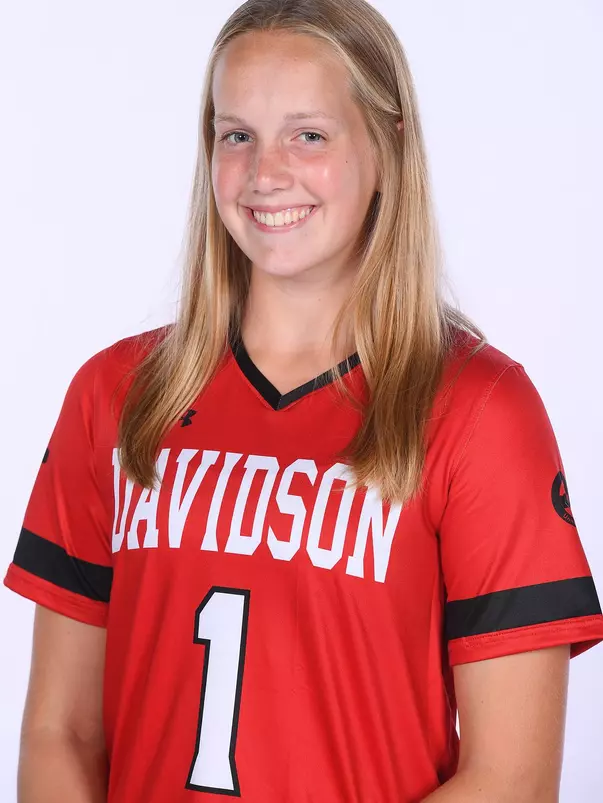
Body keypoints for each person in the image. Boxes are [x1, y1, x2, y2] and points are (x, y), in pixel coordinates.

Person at [5, 1, 603, 801]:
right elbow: (60, 734)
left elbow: (511, 779)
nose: (264, 173)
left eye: (308, 134)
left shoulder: (480, 410)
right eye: (236, 134)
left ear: (388, 148)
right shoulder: (115, 394)